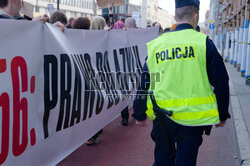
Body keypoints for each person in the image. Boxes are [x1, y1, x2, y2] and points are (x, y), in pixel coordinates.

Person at [133, 0, 230, 166]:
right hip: (194, 119)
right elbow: (221, 82)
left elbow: (146, 81)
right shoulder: (204, 43)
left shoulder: (156, 45)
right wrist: (221, 113)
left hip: (162, 117)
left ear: (175, 17)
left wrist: (139, 111)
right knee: (186, 161)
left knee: (162, 160)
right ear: (196, 15)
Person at [85, 16, 106, 146]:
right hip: (100, 76)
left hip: (89, 75)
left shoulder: (85, 36)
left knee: (91, 106)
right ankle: (94, 134)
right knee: (98, 105)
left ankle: (93, 134)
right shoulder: (105, 37)